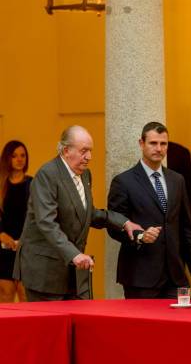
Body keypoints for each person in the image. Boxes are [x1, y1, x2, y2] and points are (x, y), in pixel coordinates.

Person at [13, 126, 142, 301]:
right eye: (84, 151)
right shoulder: (47, 174)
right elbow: (46, 222)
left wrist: (124, 222)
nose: (89, 157)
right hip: (44, 273)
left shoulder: (85, 175)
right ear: (66, 150)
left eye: (90, 151)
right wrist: (74, 254)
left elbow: (88, 213)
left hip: (72, 272)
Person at [107, 122, 191, 299]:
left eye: (163, 144)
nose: (159, 148)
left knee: (177, 326)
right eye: (153, 143)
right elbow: (113, 226)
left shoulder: (177, 180)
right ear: (141, 143)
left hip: (175, 277)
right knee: (143, 328)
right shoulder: (123, 182)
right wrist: (140, 235)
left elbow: (186, 229)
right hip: (140, 277)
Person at [0, 141, 31, 302]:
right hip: (4, 249)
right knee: (5, 294)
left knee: (25, 293)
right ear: (7, 159)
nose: (19, 159)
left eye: (22, 155)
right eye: (14, 156)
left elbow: (38, 217)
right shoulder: (1, 186)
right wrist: (1, 235)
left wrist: (26, 239)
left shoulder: (32, 184)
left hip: (26, 249)